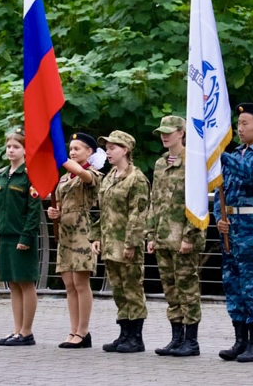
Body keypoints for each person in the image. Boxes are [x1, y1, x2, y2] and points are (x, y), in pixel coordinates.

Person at [214, 102, 253, 362]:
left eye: (245, 124)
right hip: (231, 225)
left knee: (251, 284)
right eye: (238, 124)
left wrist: (219, 154)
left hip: (250, 225)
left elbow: (250, 174)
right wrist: (219, 217)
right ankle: (240, 340)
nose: (240, 129)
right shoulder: (236, 153)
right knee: (233, 283)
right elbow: (221, 190)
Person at [145, 115, 205, 357]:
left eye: (169, 131)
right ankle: (176, 338)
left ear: (182, 133)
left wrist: (189, 236)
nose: (164, 135)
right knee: (170, 290)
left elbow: (197, 203)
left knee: (187, 288)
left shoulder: (193, 161)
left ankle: (191, 341)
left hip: (182, 237)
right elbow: (155, 201)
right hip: (162, 237)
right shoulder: (161, 164)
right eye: (162, 131)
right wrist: (150, 233)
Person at [90, 130, 150, 353]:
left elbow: (138, 213)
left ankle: (136, 337)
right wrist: (96, 236)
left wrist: (132, 244)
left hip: (126, 244)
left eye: (112, 147)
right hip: (109, 243)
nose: (108, 151)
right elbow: (103, 210)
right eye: (107, 147)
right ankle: (124, 334)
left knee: (132, 289)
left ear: (125, 150)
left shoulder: (136, 178)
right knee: (118, 289)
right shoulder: (109, 176)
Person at [47, 133, 105, 349]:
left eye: (77, 149)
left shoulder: (92, 173)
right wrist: (55, 212)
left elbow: (81, 173)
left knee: (81, 283)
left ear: (89, 152)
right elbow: (60, 204)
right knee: (69, 284)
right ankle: (72, 330)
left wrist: (60, 157)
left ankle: (83, 331)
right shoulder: (63, 178)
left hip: (83, 232)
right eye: (70, 149)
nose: (72, 152)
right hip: (66, 232)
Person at [0, 127, 43, 346]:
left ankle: (27, 332)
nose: (11, 150)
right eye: (9, 146)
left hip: (21, 237)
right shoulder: (1, 176)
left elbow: (33, 210)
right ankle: (16, 329)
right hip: (6, 235)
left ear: (25, 150)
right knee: (13, 284)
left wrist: (26, 237)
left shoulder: (29, 176)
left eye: (16, 147)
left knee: (26, 283)